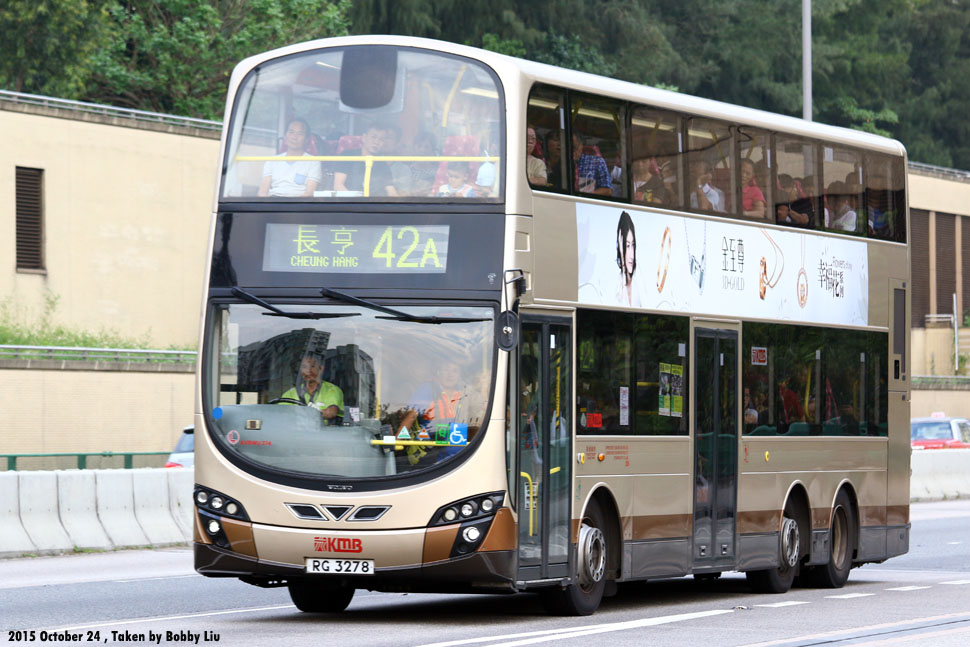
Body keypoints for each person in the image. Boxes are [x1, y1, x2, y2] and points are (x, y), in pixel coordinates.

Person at [399, 361, 466, 464]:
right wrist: (397, 440)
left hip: (460, 456)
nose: (450, 374)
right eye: (446, 369)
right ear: (439, 372)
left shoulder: (464, 393)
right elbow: (412, 415)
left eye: (455, 371)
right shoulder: (428, 389)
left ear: (460, 376)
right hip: (431, 453)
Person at [257, 118, 322, 197]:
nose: (294, 137)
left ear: (306, 139)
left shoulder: (313, 162)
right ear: (285, 137)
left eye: (300, 133)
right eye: (291, 132)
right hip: (274, 200)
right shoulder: (272, 161)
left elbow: (309, 194)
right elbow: (263, 192)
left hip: (299, 202)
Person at [333, 123, 397, 196]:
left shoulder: (381, 163)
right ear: (364, 138)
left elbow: (391, 191)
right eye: (373, 137)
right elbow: (338, 186)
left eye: (381, 139)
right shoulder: (348, 155)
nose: (376, 142)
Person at [279, 355, 344, 425]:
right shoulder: (290, 393)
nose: (308, 371)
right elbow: (280, 415)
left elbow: (331, 413)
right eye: (304, 367)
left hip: (322, 431)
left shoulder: (332, 390)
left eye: (312, 366)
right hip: (295, 431)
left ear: (320, 368)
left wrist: (303, 414)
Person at [615, 211, 643, 307]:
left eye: (633, 245)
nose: (631, 255)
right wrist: (623, 265)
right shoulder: (618, 283)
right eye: (627, 246)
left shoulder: (639, 277)